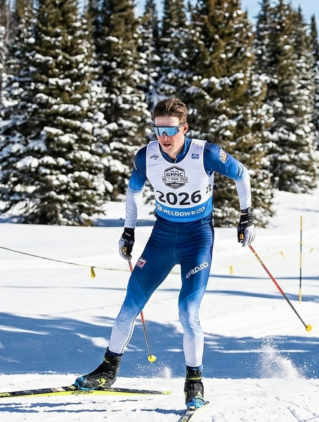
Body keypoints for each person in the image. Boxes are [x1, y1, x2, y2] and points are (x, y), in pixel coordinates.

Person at [76, 98, 256, 410]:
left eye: (170, 130)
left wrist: (247, 217)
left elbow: (242, 174)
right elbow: (132, 193)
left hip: (197, 238)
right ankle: (107, 370)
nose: (164, 136)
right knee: (127, 307)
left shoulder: (206, 152)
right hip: (162, 237)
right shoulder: (147, 156)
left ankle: (194, 381)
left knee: (188, 312)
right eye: (158, 129)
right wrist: (128, 231)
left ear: (184, 128)